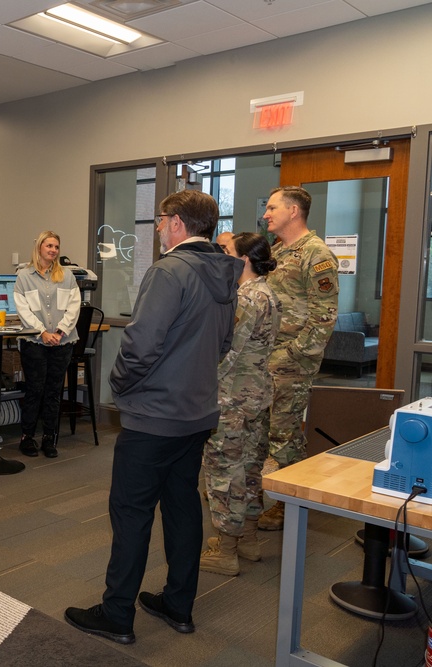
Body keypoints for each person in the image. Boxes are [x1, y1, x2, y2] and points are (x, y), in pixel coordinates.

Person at [65, 190, 241, 645]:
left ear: (178, 223)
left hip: (155, 416)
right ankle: (178, 604)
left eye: (161, 220)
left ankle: (117, 614)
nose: (158, 228)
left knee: (131, 512)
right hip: (198, 412)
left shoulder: (170, 270)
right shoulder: (225, 271)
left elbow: (142, 344)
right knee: (182, 506)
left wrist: (120, 384)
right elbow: (223, 344)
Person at [200, 233, 282, 576]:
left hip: (232, 397)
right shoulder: (270, 293)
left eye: (227, 252)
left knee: (225, 472)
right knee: (250, 471)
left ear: (244, 259)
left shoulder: (247, 299)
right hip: (256, 395)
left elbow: (226, 352)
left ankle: (227, 550)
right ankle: (247, 539)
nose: (222, 256)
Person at [258, 186, 339, 530]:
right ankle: (276, 494)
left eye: (272, 207)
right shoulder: (279, 251)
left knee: (285, 433)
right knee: (267, 430)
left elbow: (325, 316)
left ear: (293, 211)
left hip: (291, 362)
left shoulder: (315, 254)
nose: (266, 214)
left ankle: (289, 505)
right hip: (267, 358)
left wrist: (291, 354)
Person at [13, 231, 81, 458]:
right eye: (49, 245)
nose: (53, 250)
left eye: (56, 247)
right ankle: (27, 438)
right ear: (39, 247)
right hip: (34, 341)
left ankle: (49, 438)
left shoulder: (67, 276)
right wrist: (42, 332)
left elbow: (74, 306)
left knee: (53, 392)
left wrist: (60, 331)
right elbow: (23, 309)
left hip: (62, 342)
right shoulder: (24, 276)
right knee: (35, 389)